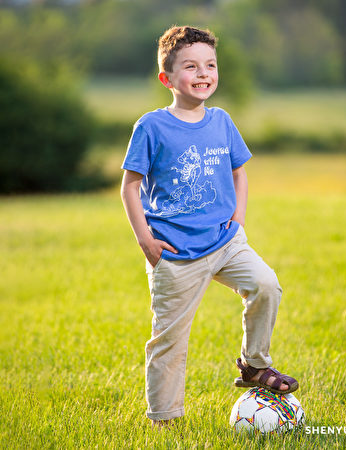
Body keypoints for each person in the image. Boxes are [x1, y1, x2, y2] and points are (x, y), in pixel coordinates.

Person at [120, 25, 298, 426]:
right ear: (167, 78)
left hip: (225, 240)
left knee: (266, 284)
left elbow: (240, 173)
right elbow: (129, 186)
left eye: (210, 65)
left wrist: (238, 219)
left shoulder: (221, 121)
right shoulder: (151, 127)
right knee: (169, 341)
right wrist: (146, 240)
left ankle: (254, 366)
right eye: (190, 67)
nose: (203, 74)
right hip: (176, 253)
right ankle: (165, 420)